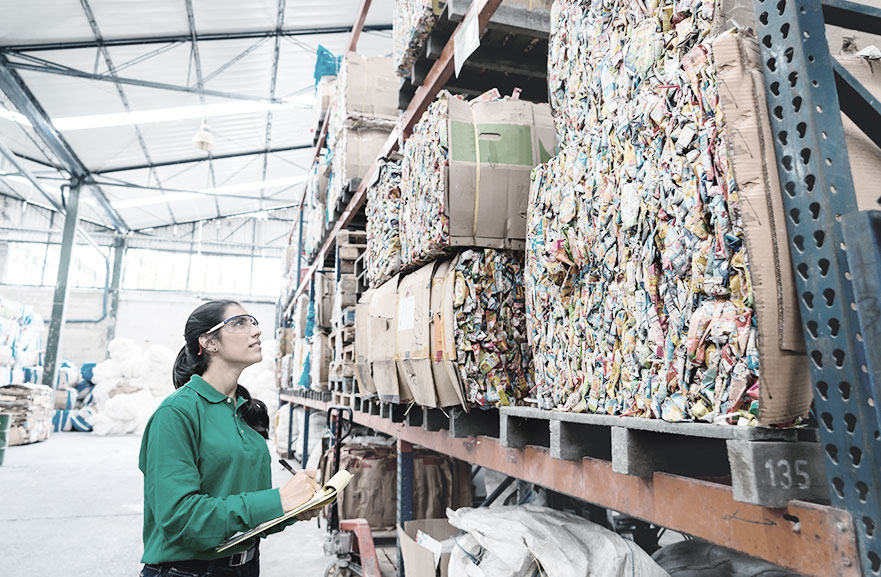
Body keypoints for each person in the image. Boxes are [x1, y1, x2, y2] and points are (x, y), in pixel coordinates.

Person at [139, 300, 320, 577]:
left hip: (245, 566)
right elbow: (179, 519)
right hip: (187, 572)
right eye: (240, 323)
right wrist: (278, 500)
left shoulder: (245, 411)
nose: (256, 331)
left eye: (254, 322)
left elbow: (246, 511)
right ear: (210, 343)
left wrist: (293, 509)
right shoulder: (176, 413)